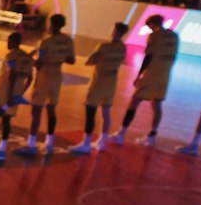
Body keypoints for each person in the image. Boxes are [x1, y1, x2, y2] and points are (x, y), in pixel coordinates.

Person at [17, 14, 74, 158]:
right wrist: (59, 57)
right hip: (57, 76)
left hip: (44, 76)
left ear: (52, 25)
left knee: (36, 110)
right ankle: (50, 142)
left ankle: (31, 144)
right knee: (52, 109)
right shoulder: (68, 41)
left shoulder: (46, 42)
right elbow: (71, 60)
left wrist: (29, 61)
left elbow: (40, 63)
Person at [117, 15, 178, 147]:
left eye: (148, 25)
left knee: (134, 102)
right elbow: (174, 56)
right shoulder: (174, 36)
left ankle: (121, 133)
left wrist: (139, 75)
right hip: (165, 75)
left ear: (152, 23)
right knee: (157, 105)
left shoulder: (154, 35)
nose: (148, 28)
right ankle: (152, 136)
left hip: (152, 74)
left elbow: (148, 57)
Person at [70, 22, 128, 154]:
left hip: (98, 82)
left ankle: (86, 142)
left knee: (90, 111)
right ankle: (102, 141)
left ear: (115, 31)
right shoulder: (123, 48)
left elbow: (89, 61)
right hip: (111, 83)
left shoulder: (103, 46)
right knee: (106, 112)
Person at [0, 31, 31, 166]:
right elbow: (30, 77)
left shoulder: (10, 56)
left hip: (5, 92)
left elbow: (12, 74)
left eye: (9, 41)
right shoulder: (26, 57)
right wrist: (21, 92)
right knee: (7, 121)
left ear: (12, 42)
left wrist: (10, 95)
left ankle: (2, 151)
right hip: (16, 92)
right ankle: (2, 149)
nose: (7, 43)